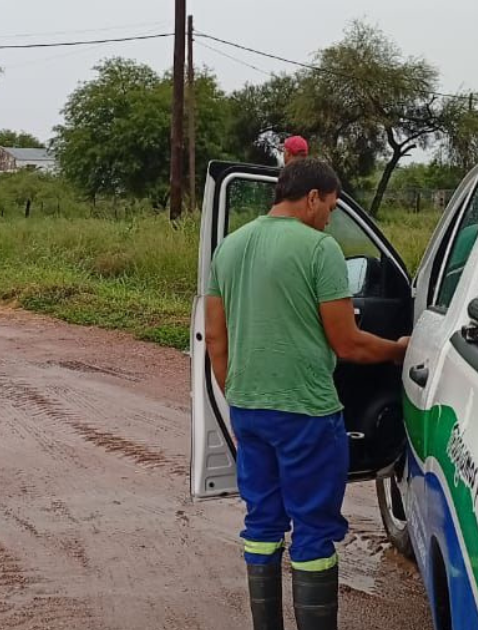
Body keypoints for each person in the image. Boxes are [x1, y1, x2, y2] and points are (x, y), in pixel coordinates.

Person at [204, 159, 408, 630]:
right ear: (313, 197)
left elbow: (216, 339)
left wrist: (237, 394)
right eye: (330, 207)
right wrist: (398, 351)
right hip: (306, 412)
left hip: (249, 410)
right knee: (313, 530)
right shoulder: (320, 249)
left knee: (262, 523)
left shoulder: (229, 247)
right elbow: (349, 342)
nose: (329, 218)